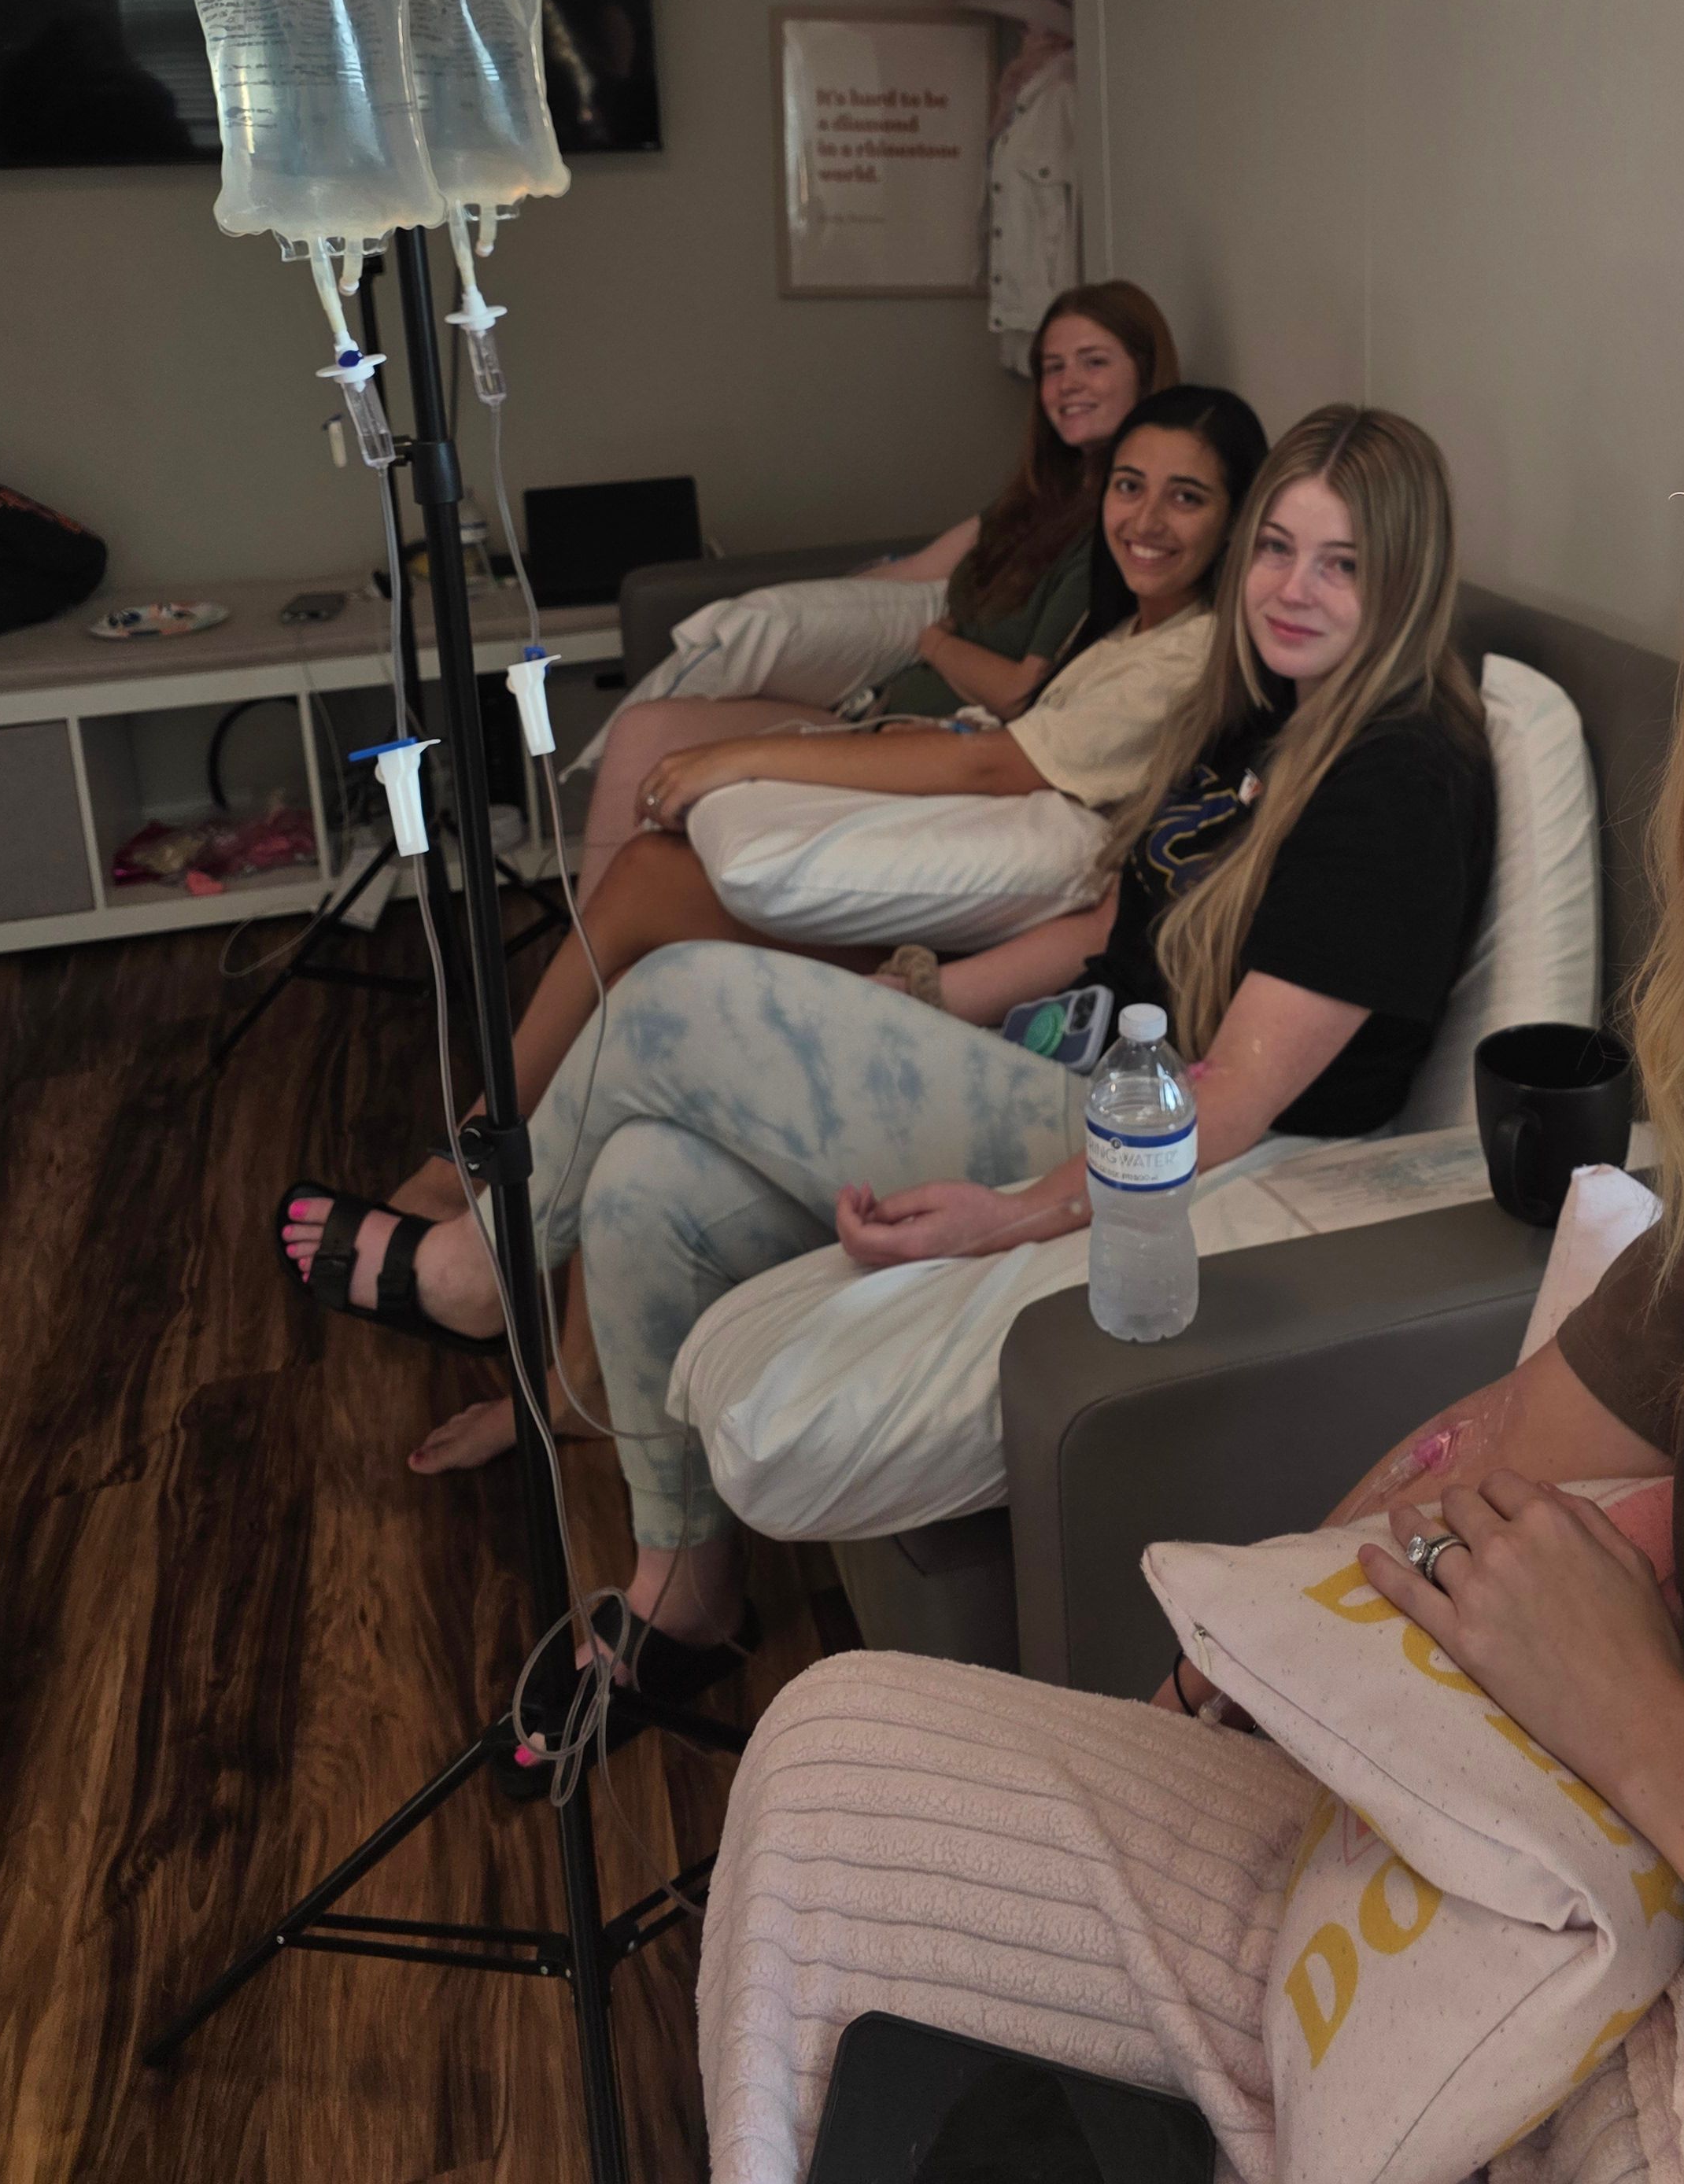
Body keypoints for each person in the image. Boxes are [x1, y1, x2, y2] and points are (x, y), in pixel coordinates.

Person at [689, 411, 1684, 2184]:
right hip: (1599, 1914)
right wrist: (1271, 1650)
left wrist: (1647, 1726)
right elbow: (1516, 1452)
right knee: (840, 1754)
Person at [281, 406, 1494, 1702]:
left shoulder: (1399, 777)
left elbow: (1239, 1095)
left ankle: (485, 1270)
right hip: (1083, 1063)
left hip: (1176, 1151)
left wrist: (1017, 1212)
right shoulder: (1263, 711)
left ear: (1407, 576)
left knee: (680, 991)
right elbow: (1107, 931)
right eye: (1278, 550)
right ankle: (681, 1591)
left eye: (1342, 562)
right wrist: (928, 1001)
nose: (1292, 589)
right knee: (644, 1183)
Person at [281, 382, 1265, 1475]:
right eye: (1132, 487)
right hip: (1010, 934)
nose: (1147, 520)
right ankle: (533, 1295)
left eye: (1189, 499)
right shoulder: (1127, 623)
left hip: (1029, 988)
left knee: (656, 902)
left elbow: (1004, 769)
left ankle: (485, 1208)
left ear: (1235, 522)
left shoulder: (1196, 659)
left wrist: (750, 761)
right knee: (650, 913)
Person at [575, 280, 1176, 898]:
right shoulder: (1035, 500)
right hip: (873, 707)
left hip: (921, 739)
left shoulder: (1122, 529)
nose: (1068, 383)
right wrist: (836, 605)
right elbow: (919, 569)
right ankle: (595, 948)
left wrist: (935, 644)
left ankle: (607, 950)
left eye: (1094, 362)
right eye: (1054, 368)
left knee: (672, 805)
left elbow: (1019, 693)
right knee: (644, 730)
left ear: (1146, 371)